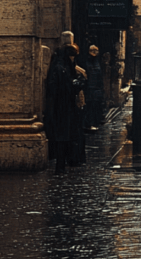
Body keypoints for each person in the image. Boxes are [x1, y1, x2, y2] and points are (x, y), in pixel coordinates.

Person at [45, 43, 86, 172]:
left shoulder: (65, 66)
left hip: (66, 106)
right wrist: (73, 85)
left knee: (67, 135)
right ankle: (60, 165)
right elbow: (57, 87)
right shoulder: (60, 67)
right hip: (62, 107)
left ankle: (65, 163)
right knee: (62, 136)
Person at [83, 44, 105, 130]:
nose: (94, 52)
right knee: (89, 106)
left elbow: (99, 75)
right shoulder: (86, 61)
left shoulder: (97, 62)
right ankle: (89, 123)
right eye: (92, 51)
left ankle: (95, 122)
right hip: (89, 88)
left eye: (96, 51)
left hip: (97, 88)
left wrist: (101, 87)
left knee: (96, 105)